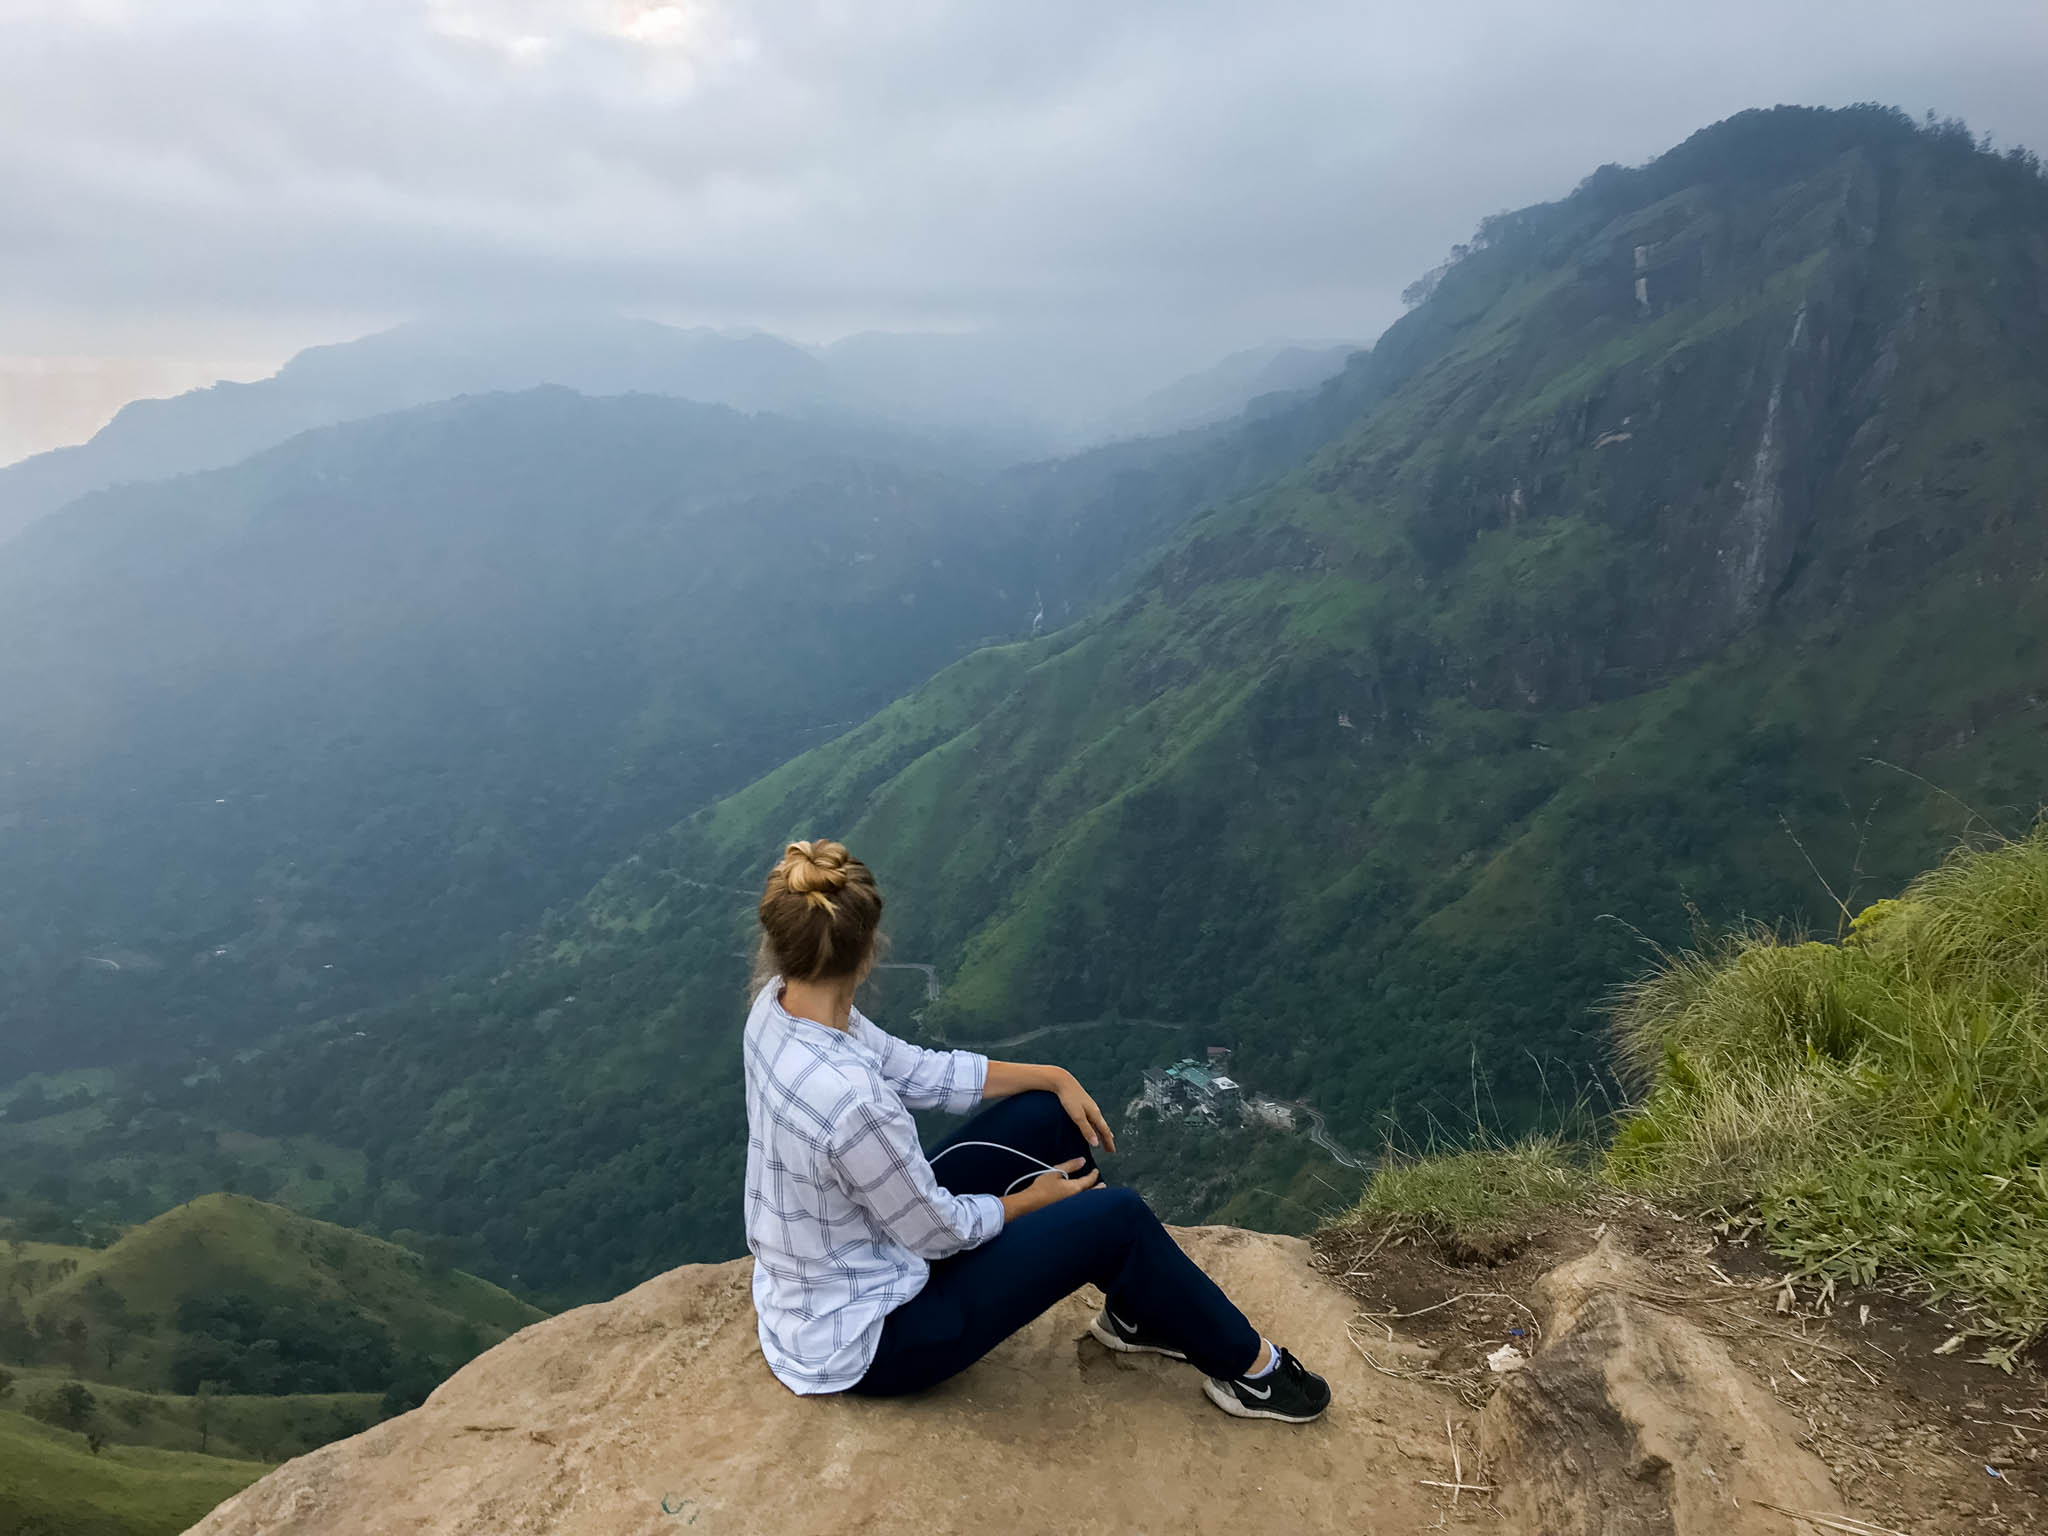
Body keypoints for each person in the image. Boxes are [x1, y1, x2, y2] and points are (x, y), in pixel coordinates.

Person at [741, 838, 1331, 1423]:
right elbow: (939, 1233)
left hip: (855, 1260)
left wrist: (1053, 1076)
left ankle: (1137, 1314)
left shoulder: (780, 1010)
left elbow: (917, 1069)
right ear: (868, 950)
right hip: (876, 1338)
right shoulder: (853, 1100)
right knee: (1118, 1219)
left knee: (1047, 1115)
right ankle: (1255, 1374)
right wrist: (1027, 1203)